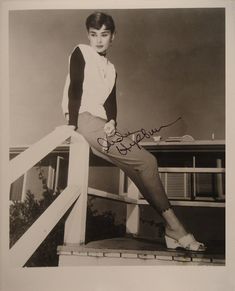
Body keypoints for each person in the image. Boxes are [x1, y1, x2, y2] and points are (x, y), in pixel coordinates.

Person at [62, 11, 206, 251]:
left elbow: (110, 101)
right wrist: (71, 124)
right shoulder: (81, 51)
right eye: (94, 34)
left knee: (139, 171)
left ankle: (172, 233)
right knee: (147, 162)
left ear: (112, 37)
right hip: (85, 120)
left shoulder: (111, 68)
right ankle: (177, 228)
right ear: (88, 35)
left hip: (101, 125)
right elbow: (75, 87)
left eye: (104, 35)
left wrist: (113, 120)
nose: (98, 40)